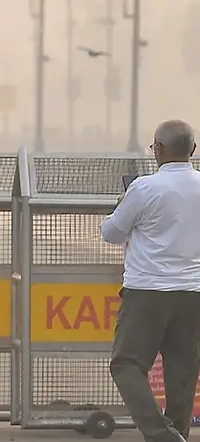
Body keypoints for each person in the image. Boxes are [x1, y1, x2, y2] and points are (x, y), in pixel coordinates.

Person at [102, 120, 200, 442]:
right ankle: (177, 434)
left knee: (127, 364)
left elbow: (111, 233)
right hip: (193, 291)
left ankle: (163, 436)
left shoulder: (144, 188)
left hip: (147, 291)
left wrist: (123, 207)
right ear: (193, 150)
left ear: (157, 149)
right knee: (182, 372)